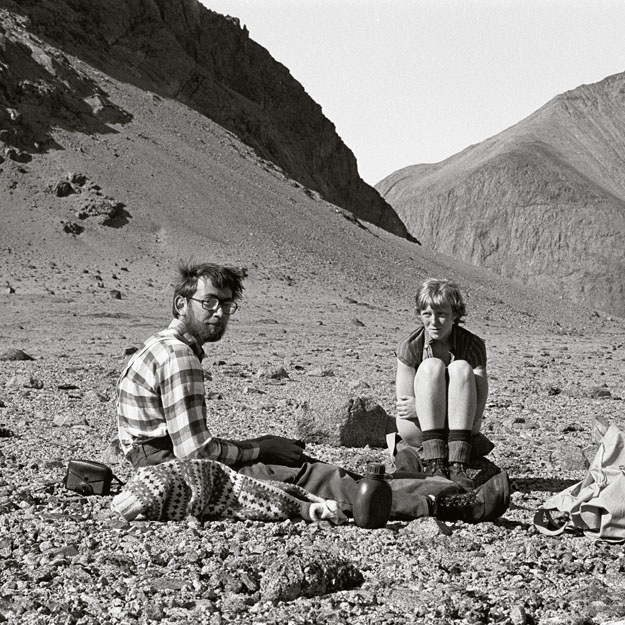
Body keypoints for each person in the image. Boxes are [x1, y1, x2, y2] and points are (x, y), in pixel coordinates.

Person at [117, 262, 508, 523]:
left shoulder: (159, 346)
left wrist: (259, 446)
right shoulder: (179, 358)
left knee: (320, 472)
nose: (219, 313)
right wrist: (260, 448)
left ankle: (438, 484)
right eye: (209, 303)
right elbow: (195, 453)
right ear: (181, 303)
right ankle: (450, 505)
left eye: (226, 305)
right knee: (316, 478)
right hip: (175, 470)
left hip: (158, 462)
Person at [395, 278, 491, 491]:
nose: (433, 322)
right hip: (420, 426)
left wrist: (426, 406)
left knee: (461, 368)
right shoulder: (409, 346)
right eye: (427, 314)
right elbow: (405, 409)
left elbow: (478, 406)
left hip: (459, 427)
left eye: (441, 314)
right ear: (419, 314)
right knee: (431, 367)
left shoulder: (473, 345)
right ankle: (435, 462)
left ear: (455, 315)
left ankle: (457, 464)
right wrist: (454, 410)